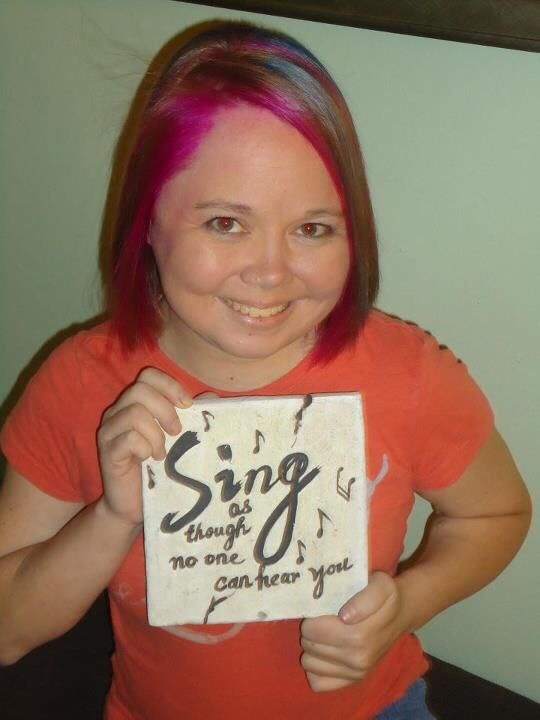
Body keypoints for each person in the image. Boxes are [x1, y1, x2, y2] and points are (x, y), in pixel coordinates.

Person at [0, 21, 531, 720]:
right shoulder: (82, 384)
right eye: (226, 223)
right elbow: (9, 630)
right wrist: (112, 517)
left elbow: (497, 511)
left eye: (312, 228)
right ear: (147, 222)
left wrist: (407, 604)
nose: (271, 272)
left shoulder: (407, 374)